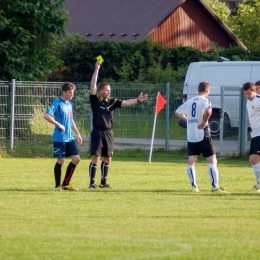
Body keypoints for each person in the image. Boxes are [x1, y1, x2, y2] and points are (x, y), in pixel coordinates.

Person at [88, 61, 148, 189]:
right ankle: (92, 183)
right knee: (96, 158)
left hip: (108, 133)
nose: (109, 92)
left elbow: (126, 103)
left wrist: (137, 100)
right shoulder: (95, 100)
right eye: (106, 90)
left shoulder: (113, 102)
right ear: (101, 91)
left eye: (110, 90)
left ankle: (103, 182)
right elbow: (92, 85)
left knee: (107, 158)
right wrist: (97, 69)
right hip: (97, 132)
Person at [175, 81, 228, 193]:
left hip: (191, 135)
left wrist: (188, 120)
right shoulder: (205, 100)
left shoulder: (190, 101)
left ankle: (194, 187)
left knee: (191, 161)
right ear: (207, 90)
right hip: (203, 134)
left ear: (198, 89)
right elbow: (209, 111)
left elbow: (177, 112)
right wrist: (204, 121)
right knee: (212, 160)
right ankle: (215, 187)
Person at [44, 82, 82, 191]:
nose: (71, 94)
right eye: (70, 92)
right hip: (59, 137)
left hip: (70, 138)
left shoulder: (69, 104)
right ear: (63, 92)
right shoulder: (57, 103)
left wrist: (78, 133)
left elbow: (71, 120)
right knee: (60, 160)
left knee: (76, 159)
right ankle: (57, 186)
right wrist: (59, 124)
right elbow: (46, 115)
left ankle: (66, 183)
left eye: (73, 92)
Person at [242, 82, 260, 193]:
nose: (247, 96)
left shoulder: (259, 99)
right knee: (252, 160)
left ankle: (259, 185)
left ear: (254, 90)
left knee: (254, 159)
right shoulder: (248, 101)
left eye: (249, 93)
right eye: (245, 94)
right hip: (255, 134)